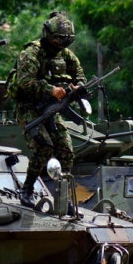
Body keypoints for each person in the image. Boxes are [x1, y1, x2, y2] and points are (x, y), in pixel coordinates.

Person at [10, 11, 86, 208]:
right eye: (57, 40)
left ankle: (64, 197)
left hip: (52, 108)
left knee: (66, 149)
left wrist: (77, 86)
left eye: (65, 41)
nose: (61, 45)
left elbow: (79, 74)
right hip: (29, 108)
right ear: (48, 35)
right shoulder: (32, 52)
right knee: (44, 146)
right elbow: (25, 81)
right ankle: (27, 188)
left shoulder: (66, 55)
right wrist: (51, 89)